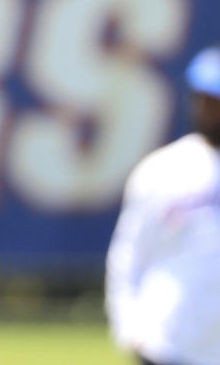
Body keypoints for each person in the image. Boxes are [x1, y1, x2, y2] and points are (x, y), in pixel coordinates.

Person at [106, 46, 220, 365]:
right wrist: (127, 324)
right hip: (168, 342)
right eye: (207, 100)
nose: (212, 110)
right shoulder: (162, 169)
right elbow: (128, 253)